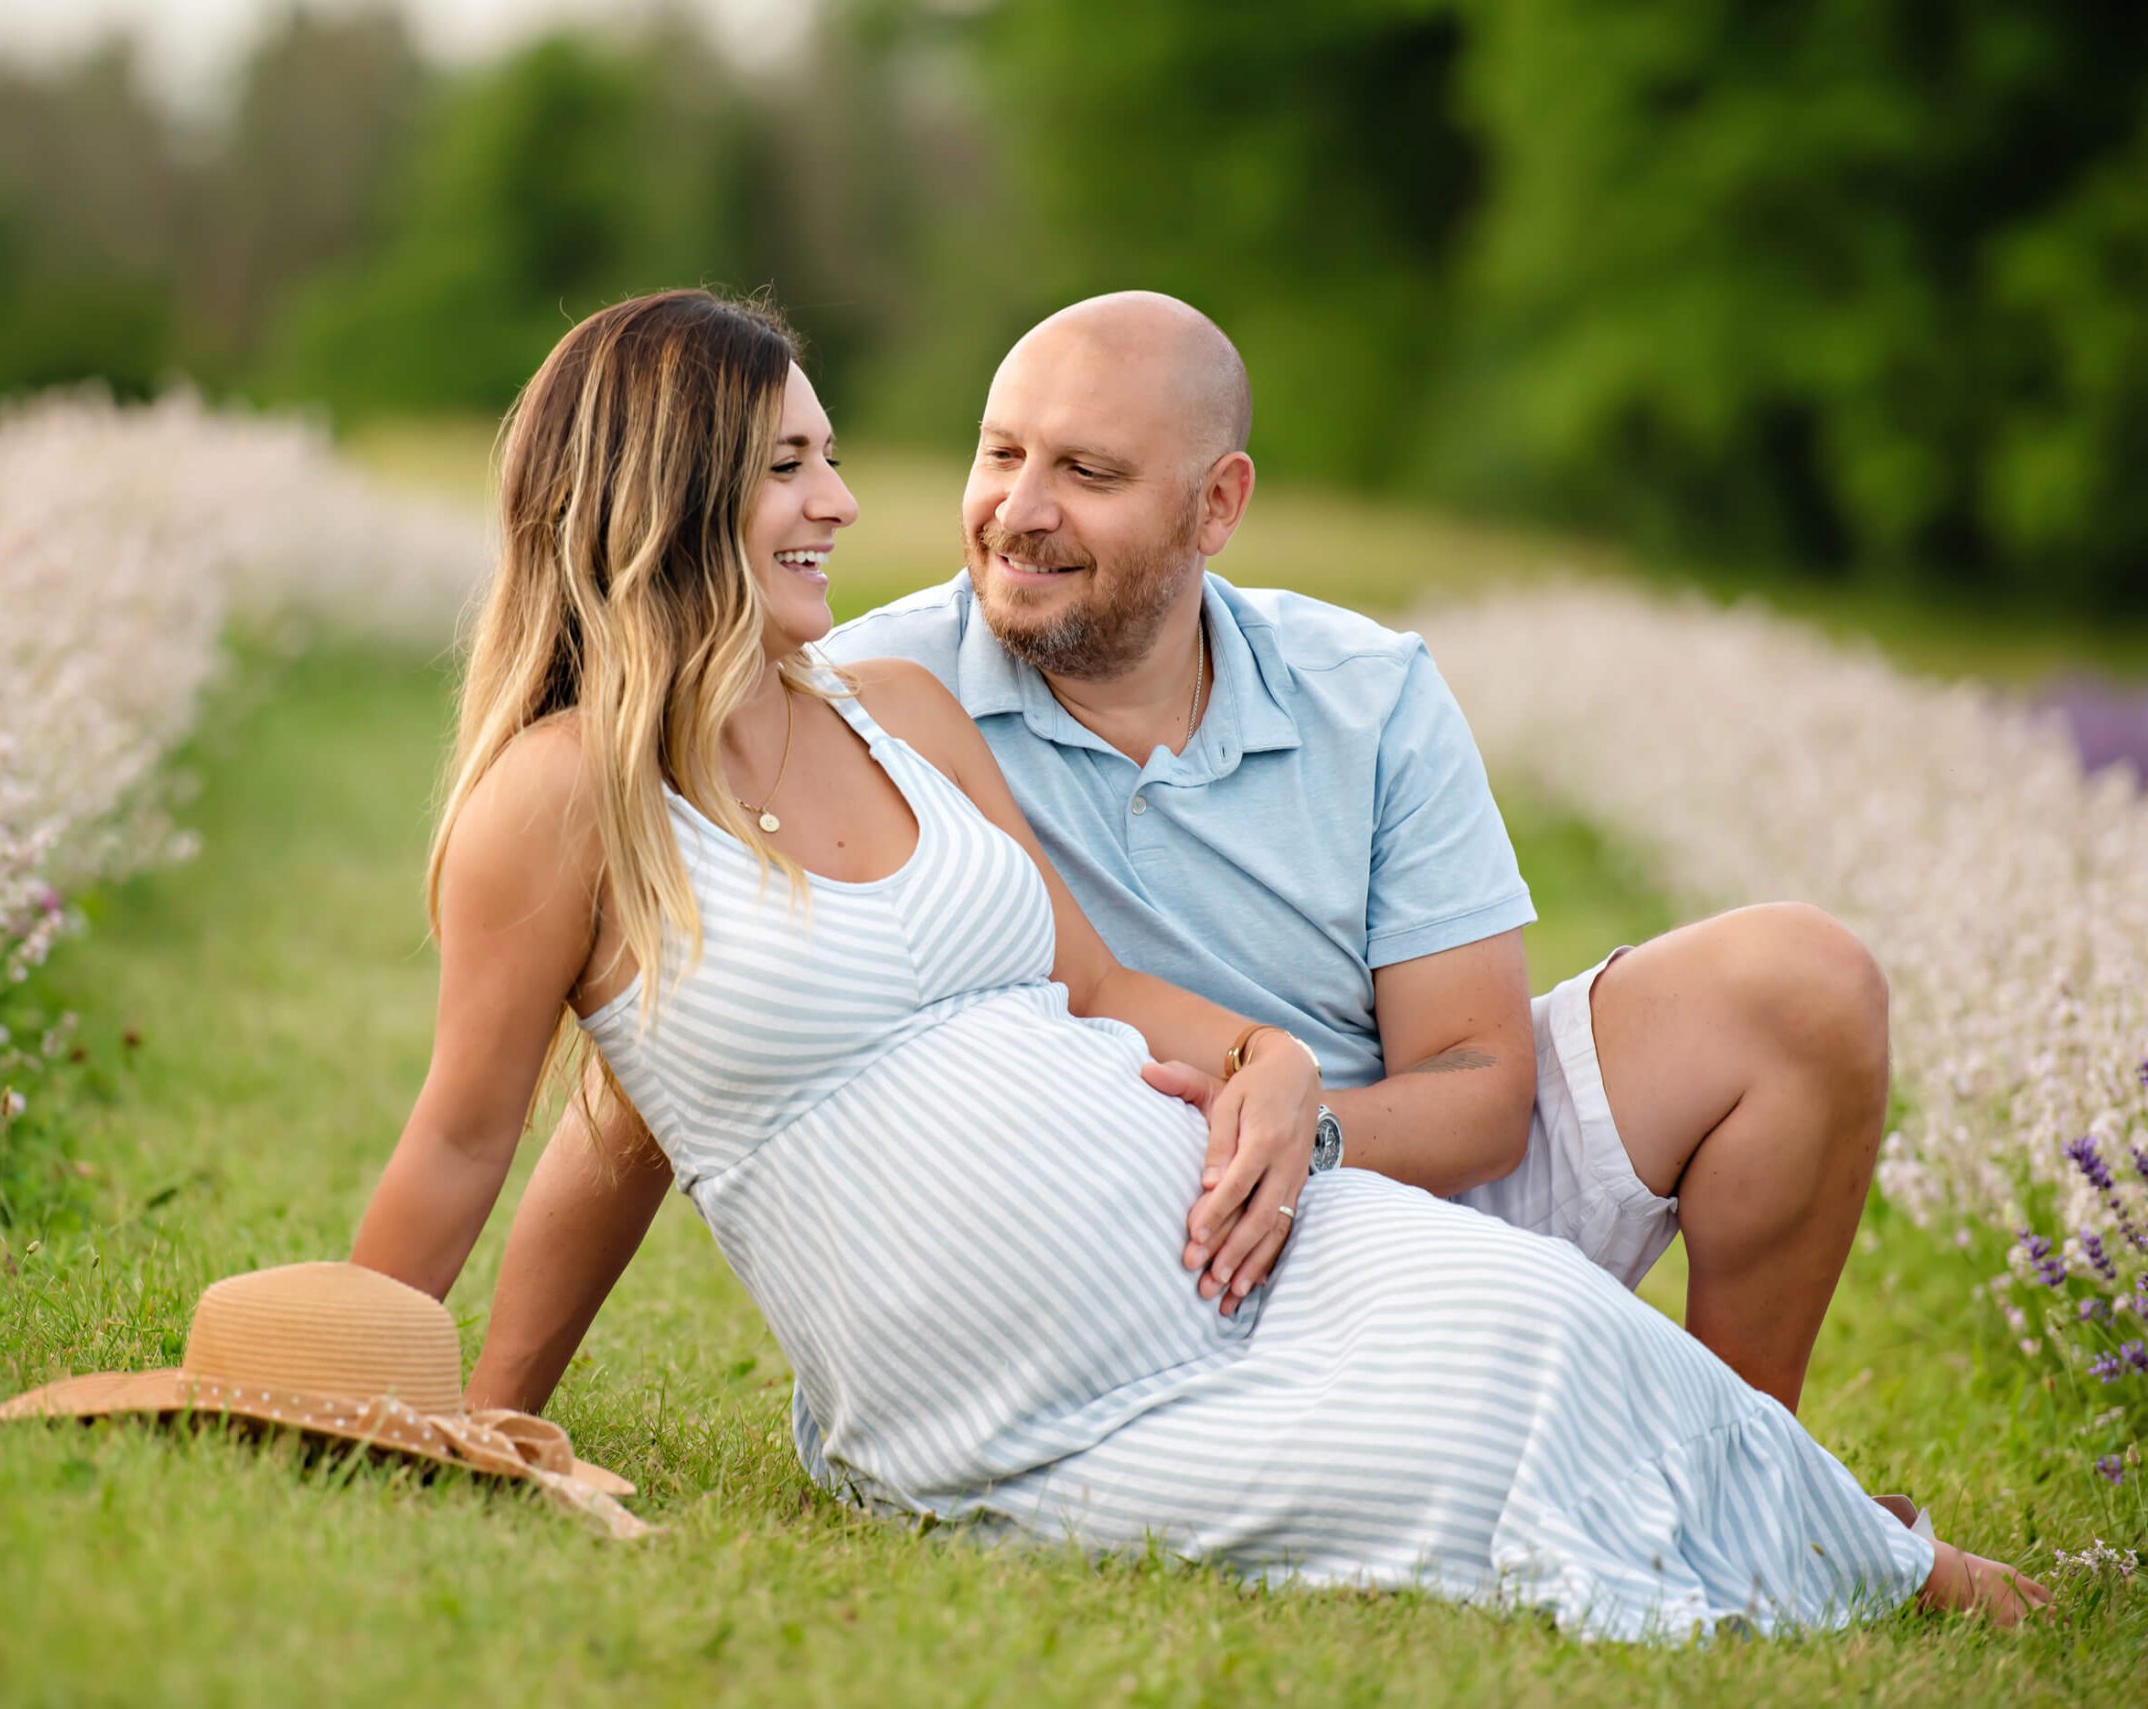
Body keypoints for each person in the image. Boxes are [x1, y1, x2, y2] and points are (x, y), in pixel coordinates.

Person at [350, 287, 2043, 1636]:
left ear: (1213, 505)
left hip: (1287, 1212)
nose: (874, 504)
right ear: (671, 488)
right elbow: (515, 1128)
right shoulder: (594, 790)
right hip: (1022, 1368)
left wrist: (1275, 1074)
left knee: (1550, 1309)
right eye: (799, 465)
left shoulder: (915, 715)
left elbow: (1125, 998)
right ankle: (1834, 1552)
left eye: (1081, 470)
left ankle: (1820, 1523)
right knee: (1510, 1399)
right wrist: (447, 1410)